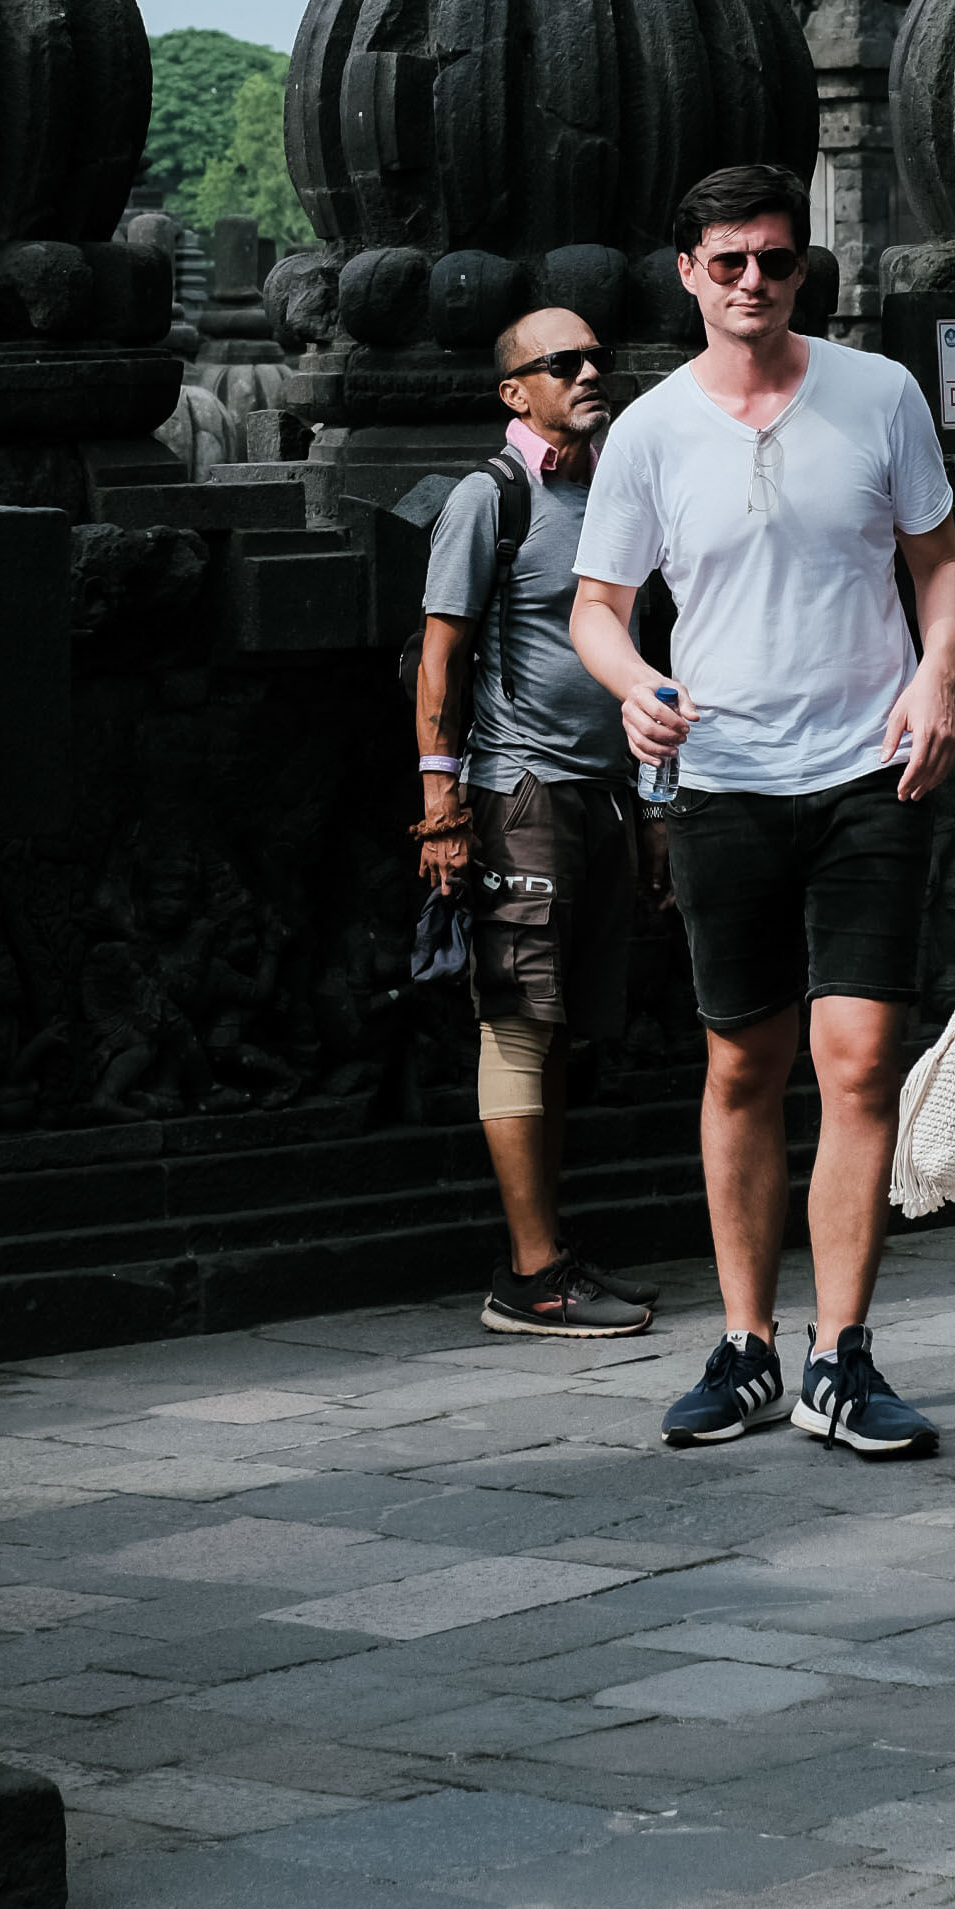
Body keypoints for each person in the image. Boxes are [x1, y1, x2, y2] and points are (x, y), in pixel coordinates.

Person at [571, 161, 955, 1459]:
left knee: (858, 1063)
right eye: (729, 261)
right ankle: (746, 1345)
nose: (754, 281)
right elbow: (598, 608)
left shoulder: (879, 394)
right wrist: (636, 686)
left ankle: (839, 1356)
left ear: (804, 270)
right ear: (688, 272)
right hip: (725, 775)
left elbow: (940, 563)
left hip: (869, 770)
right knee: (743, 1062)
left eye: (776, 261)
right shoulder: (649, 432)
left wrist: (936, 677)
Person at [416, 305, 658, 1341]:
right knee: (517, 1019)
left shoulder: (617, 491)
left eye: (598, 357)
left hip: (603, 788)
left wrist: (652, 801)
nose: (589, 372)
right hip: (518, 787)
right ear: (516, 390)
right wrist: (441, 807)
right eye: (563, 362)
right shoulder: (492, 497)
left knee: (559, 1027)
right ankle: (529, 1274)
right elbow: (440, 655)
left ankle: (546, 1250)